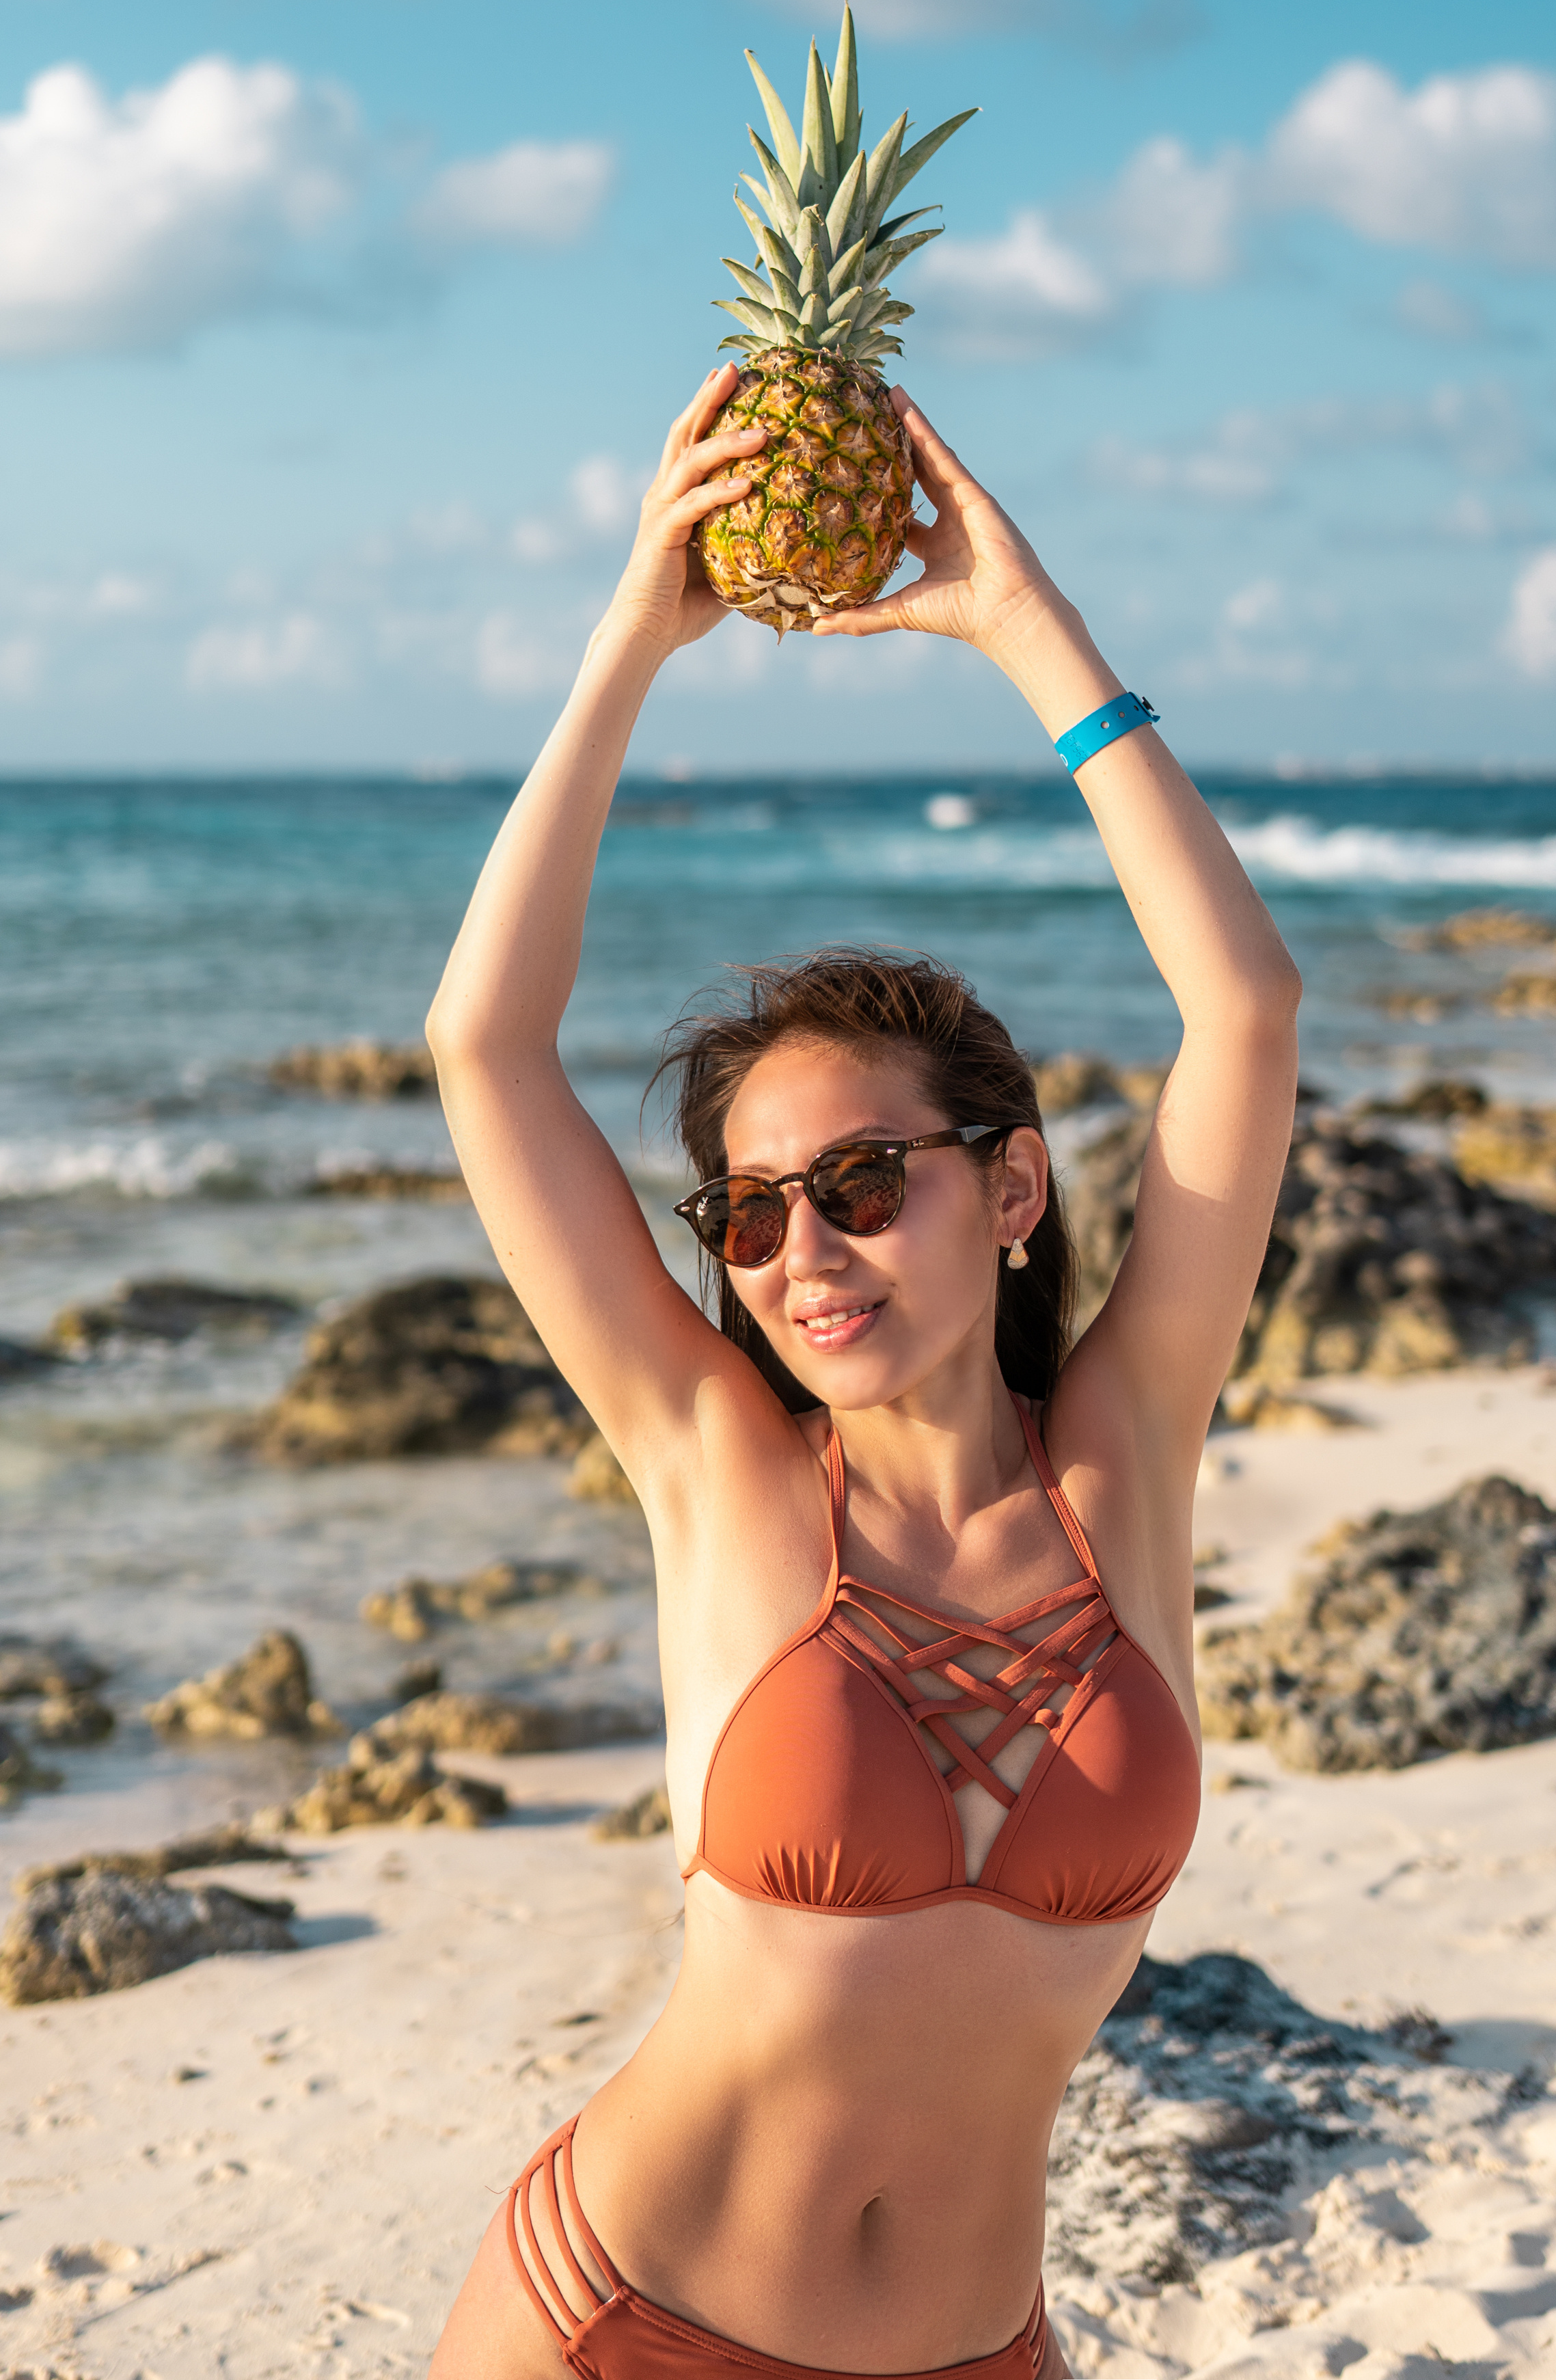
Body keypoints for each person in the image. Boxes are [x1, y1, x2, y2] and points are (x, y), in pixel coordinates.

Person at [425, 367, 1300, 2380]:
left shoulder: (1126, 1452)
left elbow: (1242, 1009)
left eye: (854, 1183)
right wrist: (629, 646)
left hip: (983, 2350)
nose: (797, 1252)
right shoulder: (717, 1469)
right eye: (747, 1214)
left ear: (1011, 1189)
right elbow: (485, 1043)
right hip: (623, 2326)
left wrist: (1021, 627)